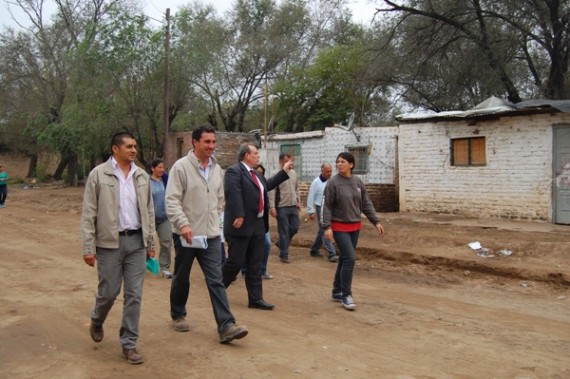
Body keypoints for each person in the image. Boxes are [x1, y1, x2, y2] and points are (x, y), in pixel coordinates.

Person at [165, 125, 248, 343]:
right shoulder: (180, 168)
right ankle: (178, 313)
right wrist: (183, 224)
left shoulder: (216, 169)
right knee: (182, 277)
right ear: (195, 142)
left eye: (213, 142)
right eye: (207, 142)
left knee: (216, 279)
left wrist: (217, 223)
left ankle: (226, 325)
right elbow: (172, 200)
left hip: (210, 235)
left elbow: (219, 199)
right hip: (186, 235)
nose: (211, 146)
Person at [81, 132, 155, 364]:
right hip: (108, 244)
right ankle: (97, 318)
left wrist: (150, 243)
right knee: (109, 292)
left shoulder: (142, 176)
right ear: (116, 149)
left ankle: (129, 344)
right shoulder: (98, 174)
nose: (134, 150)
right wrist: (88, 247)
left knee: (134, 295)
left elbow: (149, 212)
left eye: (135, 146)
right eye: (129, 146)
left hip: (136, 243)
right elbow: (88, 213)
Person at [222, 143, 292, 310]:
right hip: (241, 224)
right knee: (236, 261)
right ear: (246, 155)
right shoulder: (234, 171)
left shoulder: (256, 175)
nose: (258, 156)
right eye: (255, 153)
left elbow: (268, 185)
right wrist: (239, 214)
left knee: (255, 263)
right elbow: (233, 193)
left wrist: (284, 171)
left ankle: (255, 299)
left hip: (258, 225)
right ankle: (217, 288)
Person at [322, 152, 385, 311]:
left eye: (343, 162)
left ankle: (336, 290)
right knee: (350, 258)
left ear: (351, 164)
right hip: (339, 227)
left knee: (344, 258)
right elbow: (326, 206)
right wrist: (327, 227)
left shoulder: (357, 182)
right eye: (338, 162)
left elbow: (366, 203)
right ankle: (346, 295)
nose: (339, 164)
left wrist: (375, 221)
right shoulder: (333, 183)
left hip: (355, 227)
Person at [241, 163, 273, 280]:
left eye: (262, 173)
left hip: (261, 221)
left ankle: (262, 270)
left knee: (267, 244)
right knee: (246, 247)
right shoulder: (246, 182)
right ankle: (244, 270)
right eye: (257, 172)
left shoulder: (262, 183)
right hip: (248, 220)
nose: (260, 174)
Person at [268, 153, 300, 263]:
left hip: (293, 206)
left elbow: (296, 188)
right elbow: (271, 192)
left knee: (295, 227)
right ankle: (284, 254)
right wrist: (272, 207)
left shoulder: (293, 173)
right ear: (281, 161)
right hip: (281, 207)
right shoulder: (275, 174)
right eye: (287, 161)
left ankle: (281, 243)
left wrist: (298, 201)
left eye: (291, 161)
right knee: (284, 231)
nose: (290, 164)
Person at [307, 162, 338, 262]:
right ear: (322, 171)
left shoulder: (332, 181)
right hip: (320, 207)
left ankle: (314, 249)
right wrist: (311, 211)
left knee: (322, 230)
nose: (330, 173)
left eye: (331, 171)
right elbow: (311, 196)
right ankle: (332, 253)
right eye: (327, 171)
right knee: (325, 229)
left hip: (329, 208)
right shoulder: (316, 182)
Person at [149, 159, 173, 279]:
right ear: (153, 168)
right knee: (146, 242)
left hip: (165, 217)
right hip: (149, 218)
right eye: (159, 167)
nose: (162, 170)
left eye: (163, 167)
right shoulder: (146, 182)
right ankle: (141, 264)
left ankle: (165, 268)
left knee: (166, 242)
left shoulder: (167, 180)